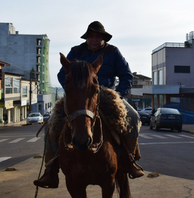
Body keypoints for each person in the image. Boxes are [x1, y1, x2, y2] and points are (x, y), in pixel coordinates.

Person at [34, 21, 144, 189]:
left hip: (107, 94)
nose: (94, 39)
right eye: (91, 36)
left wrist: (119, 94)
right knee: (52, 123)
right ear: (86, 38)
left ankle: (130, 160)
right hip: (78, 95)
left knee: (133, 117)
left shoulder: (113, 51)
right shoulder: (76, 51)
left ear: (103, 39)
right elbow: (62, 73)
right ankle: (50, 169)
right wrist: (73, 90)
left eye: (97, 37)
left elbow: (126, 75)